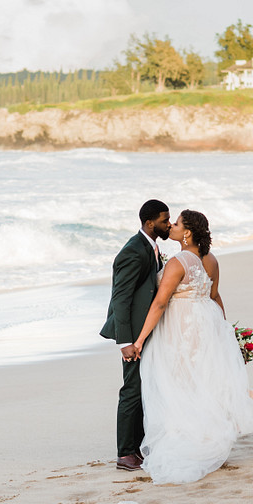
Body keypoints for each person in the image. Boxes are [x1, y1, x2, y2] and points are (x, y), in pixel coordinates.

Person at [131, 209, 253, 483]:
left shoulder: (178, 262)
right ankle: (207, 437)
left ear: (187, 232)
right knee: (201, 381)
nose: (172, 227)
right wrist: (224, 332)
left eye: (176, 224)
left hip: (181, 329)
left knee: (179, 383)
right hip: (205, 325)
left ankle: (189, 440)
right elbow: (214, 296)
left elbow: (161, 302)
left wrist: (140, 338)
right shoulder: (211, 260)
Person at [100, 199, 171, 471]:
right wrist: (126, 341)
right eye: (165, 220)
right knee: (131, 390)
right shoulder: (132, 251)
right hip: (132, 335)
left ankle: (138, 447)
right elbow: (120, 298)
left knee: (143, 388)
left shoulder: (151, 247)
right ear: (150, 222)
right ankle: (125, 453)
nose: (168, 224)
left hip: (145, 330)